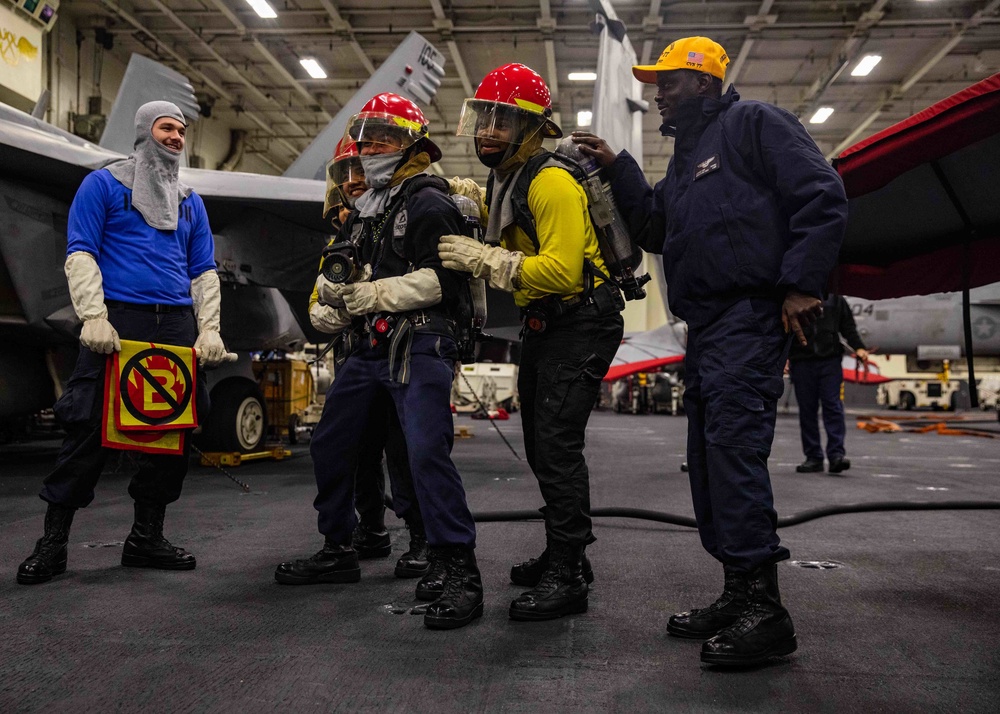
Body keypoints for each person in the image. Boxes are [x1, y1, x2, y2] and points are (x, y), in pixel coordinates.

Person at [572, 36, 847, 665]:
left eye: (667, 82)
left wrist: (803, 284)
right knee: (708, 460)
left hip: (749, 317)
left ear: (702, 82)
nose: (657, 93)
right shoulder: (687, 162)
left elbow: (822, 194)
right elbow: (655, 230)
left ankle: (766, 611)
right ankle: (737, 590)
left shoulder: (753, 124)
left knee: (732, 452)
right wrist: (618, 167)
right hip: (708, 328)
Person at [275, 93, 482, 631]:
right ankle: (339, 547)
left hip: (420, 344)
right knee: (330, 442)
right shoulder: (369, 212)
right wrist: (339, 303)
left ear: (412, 144)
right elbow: (343, 286)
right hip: (368, 348)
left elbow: (445, 280)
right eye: (362, 141)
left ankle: (457, 568)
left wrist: (368, 297)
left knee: (424, 454)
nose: (367, 150)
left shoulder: (428, 201)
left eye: (381, 140)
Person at [439, 63, 625, 622]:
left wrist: (487, 259)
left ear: (533, 128)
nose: (488, 132)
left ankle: (569, 574)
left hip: (581, 320)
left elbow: (563, 272)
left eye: (504, 121)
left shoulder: (550, 181)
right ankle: (564, 554)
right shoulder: (510, 179)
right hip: (548, 325)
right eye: (484, 119)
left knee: (558, 446)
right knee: (543, 445)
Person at [17, 101, 229, 585]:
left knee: (169, 433)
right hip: (119, 321)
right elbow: (81, 252)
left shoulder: (191, 200)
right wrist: (93, 315)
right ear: (143, 131)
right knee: (87, 426)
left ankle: (146, 538)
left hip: (174, 326)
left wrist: (209, 327)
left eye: (181, 130)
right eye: (166, 127)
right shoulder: (102, 185)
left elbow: (203, 271)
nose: (176, 136)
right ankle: (52, 544)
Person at [311, 138, 428, 578]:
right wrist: (344, 303)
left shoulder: (407, 214)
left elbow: (434, 283)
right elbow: (319, 308)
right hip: (357, 354)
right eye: (346, 173)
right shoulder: (343, 239)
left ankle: (421, 539)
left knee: (404, 449)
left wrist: (363, 298)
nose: (354, 181)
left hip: (402, 351)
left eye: (361, 168)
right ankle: (364, 534)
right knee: (349, 449)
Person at [789, 294, 869, 474]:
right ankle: (813, 457)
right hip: (801, 360)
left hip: (829, 361)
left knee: (832, 406)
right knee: (807, 410)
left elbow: (848, 327)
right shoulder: (796, 297)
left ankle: (835, 456)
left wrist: (859, 348)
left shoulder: (836, 299)